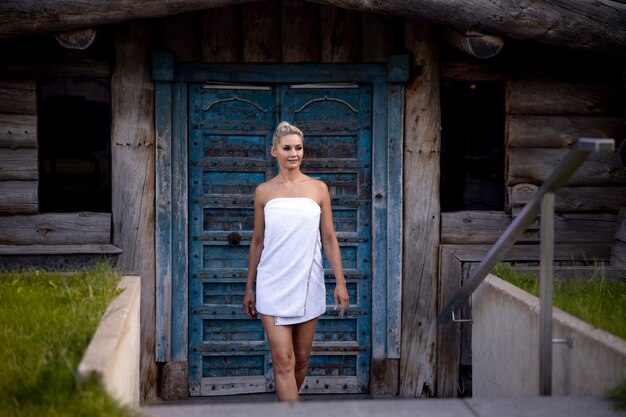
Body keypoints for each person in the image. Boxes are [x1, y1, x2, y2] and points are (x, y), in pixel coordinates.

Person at [243, 121, 349, 402]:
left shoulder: (318, 189)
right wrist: (249, 287)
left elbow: (328, 238)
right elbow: (257, 241)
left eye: (298, 148)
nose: (294, 153)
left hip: (308, 283)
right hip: (272, 284)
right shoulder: (263, 192)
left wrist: (340, 281)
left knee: (300, 361)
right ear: (273, 151)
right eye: (287, 148)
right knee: (284, 361)